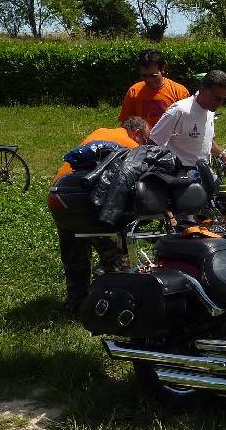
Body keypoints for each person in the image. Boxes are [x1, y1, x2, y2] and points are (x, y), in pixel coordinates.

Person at [52, 116, 150, 314]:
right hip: (89, 203)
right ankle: (121, 304)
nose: (145, 144)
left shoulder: (100, 133)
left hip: (59, 197)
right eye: (146, 140)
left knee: (74, 256)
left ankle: (76, 304)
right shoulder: (132, 146)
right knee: (114, 254)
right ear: (137, 134)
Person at [148, 70, 226, 170]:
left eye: (224, 99)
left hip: (203, 170)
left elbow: (204, 139)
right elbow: (153, 143)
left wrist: (223, 155)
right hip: (179, 173)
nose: (220, 103)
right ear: (202, 90)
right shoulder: (179, 111)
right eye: (217, 99)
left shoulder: (210, 109)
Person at [118, 49, 190, 129]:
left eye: (153, 75)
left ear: (162, 69)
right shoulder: (134, 91)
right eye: (144, 76)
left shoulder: (180, 92)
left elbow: (188, 123)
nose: (149, 80)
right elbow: (125, 123)